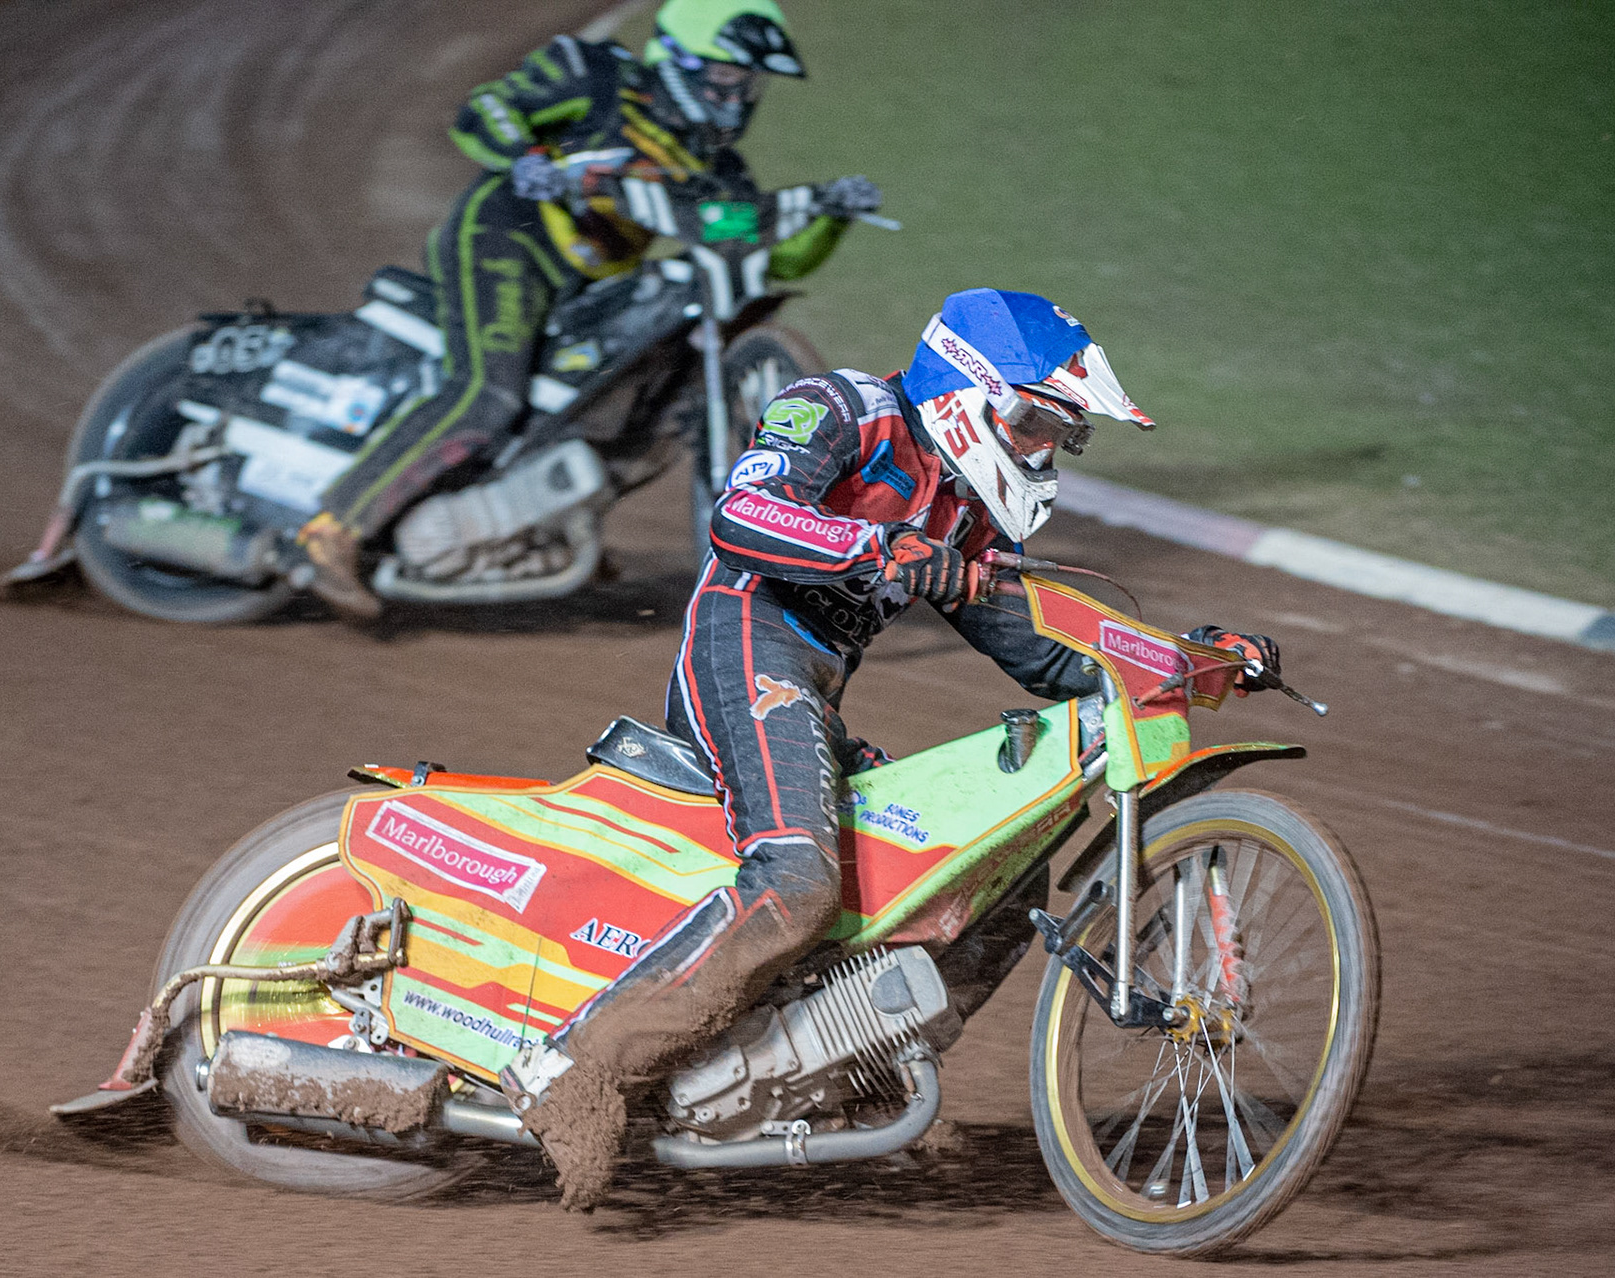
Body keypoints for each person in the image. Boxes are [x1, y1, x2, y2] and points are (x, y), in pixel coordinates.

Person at [499, 288, 1280, 1207]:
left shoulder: (963, 515)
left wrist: (1186, 661)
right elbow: (741, 518)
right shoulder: (840, 409)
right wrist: (876, 546)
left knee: (995, 865)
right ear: (967, 391)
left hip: (812, 689)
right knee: (795, 882)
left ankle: (851, 1077)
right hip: (745, 638)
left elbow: (1036, 647)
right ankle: (569, 1072)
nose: (1037, 451)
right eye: (1031, 423)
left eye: (1057, 437)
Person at [296, 0, 882, 616]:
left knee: (635, 409)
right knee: (488, 395)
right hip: (508, 242)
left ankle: (534, 525)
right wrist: (526, 157)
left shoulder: (718, 171)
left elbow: (767, 256)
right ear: (680, 61)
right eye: (726, 79)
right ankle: (333, 529)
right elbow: (485, 110)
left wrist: (830, 218)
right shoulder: (596, 73)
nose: (737, 100)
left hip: (596, 286)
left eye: (750, 86)